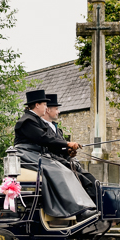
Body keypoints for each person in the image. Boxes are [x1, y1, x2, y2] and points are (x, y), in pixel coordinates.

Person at [14, 90, 95, 218]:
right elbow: (44, 138)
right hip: (26, 154)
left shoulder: (35, 119)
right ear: (37, 105)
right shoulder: (27, 121)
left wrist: (66, 151)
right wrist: (67, 144)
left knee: (66, 169)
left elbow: (47, 141)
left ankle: (82, 206)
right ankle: (75, 209)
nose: (46, 108)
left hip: (36, 153)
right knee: (60, 171)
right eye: (45, 105)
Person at [43, 93, 99, 203]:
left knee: (93, 181)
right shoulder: (42, 128)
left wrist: (69, 152)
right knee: (85, 182)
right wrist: (68, 145)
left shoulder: (56, 129)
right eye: (56, 108)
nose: (58, 111)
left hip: (66, 161)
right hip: (54, 163)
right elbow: (50, 145)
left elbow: (59, 148)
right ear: (48, 110)